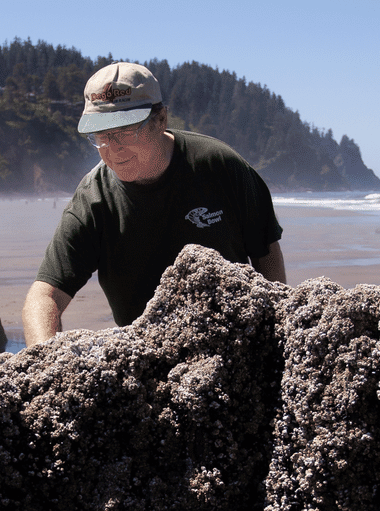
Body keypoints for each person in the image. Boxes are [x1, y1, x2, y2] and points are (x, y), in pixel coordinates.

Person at [23, 62, 286, 345]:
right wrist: (47, 362)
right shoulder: (93, 200)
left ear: (160, 120)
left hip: (233, 340)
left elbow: (266, 253)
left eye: (125, 132)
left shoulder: (220, 166)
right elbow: (43, 297)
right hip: (144, 356)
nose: (113, 149)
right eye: (101, 136)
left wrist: (272, 333)